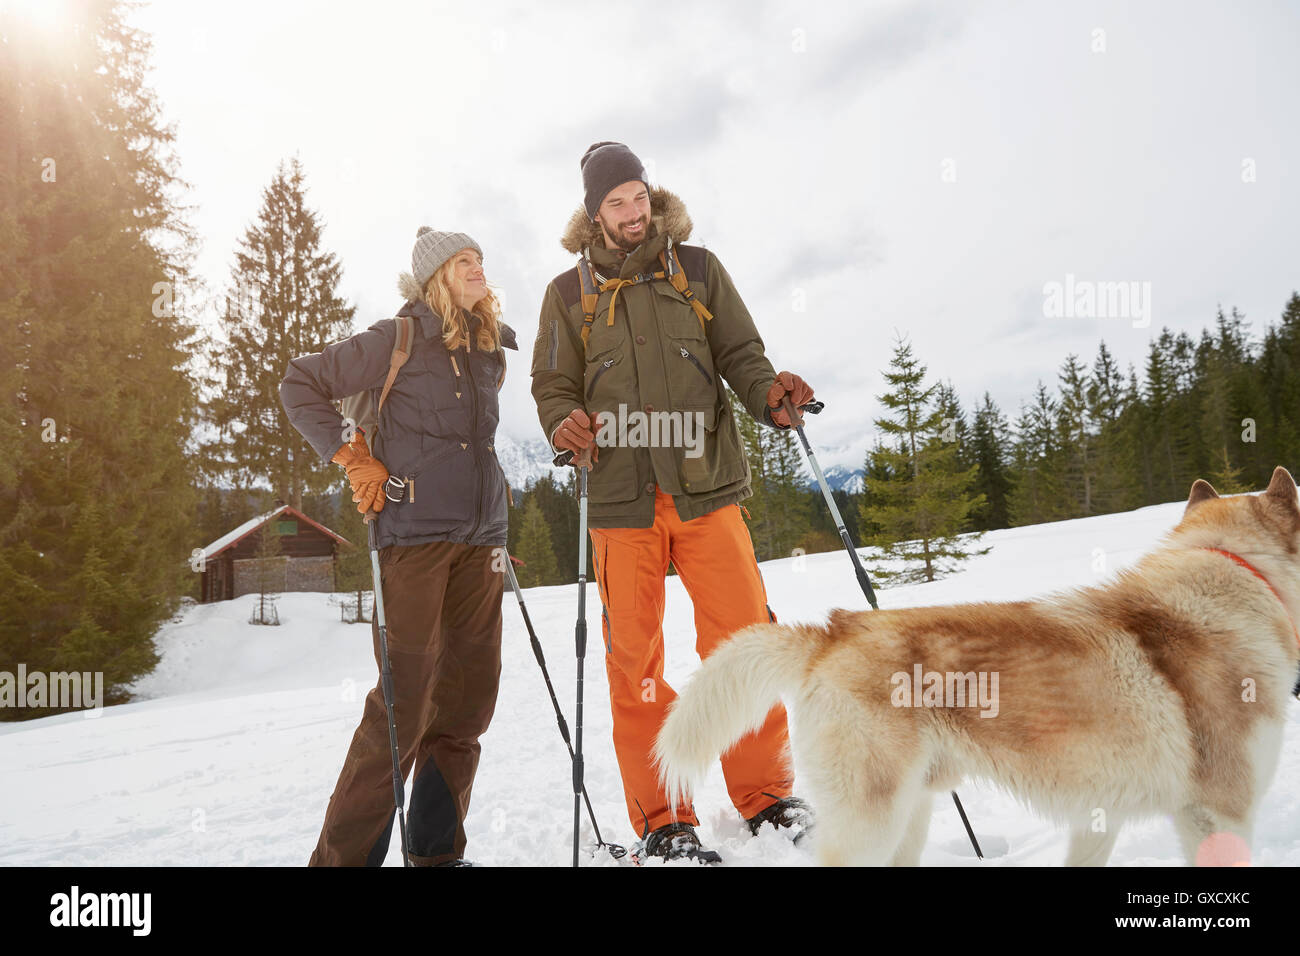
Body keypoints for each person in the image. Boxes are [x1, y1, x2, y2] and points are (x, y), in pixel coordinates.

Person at [530, 142, 816, 862]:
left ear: (652, 198)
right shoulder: (568, 294)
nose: (632, 213)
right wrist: (564, 426)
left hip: (706, 488)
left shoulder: (697, 269)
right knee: (637, 664)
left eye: (639, 197)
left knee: (744, 644)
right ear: (594, 214)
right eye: (616, 203)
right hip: (622, 500)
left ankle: (768, 796)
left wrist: (771, 398)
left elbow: (742, 357)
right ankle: (665, 820)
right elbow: (552, 387)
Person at [280, 227, 516, 866]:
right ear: (435, 276)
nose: (478, 268)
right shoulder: (397, 337)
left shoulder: (487, 349)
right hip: (410, 542)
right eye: (464, 260)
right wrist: (350, 454)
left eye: (481, 259)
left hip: (481, 545)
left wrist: (491, 518)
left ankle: (437, 853)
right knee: (402, 708)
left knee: (467, 702)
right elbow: (299, 383)